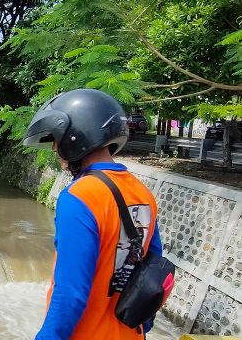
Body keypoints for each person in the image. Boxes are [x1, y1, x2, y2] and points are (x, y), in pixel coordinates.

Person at [23, 89, 163, 340]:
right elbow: (155, 269)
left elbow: (70, 293)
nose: (55, 148)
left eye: (57, 139)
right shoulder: (142, 193)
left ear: (77, 135)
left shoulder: (79, 197)